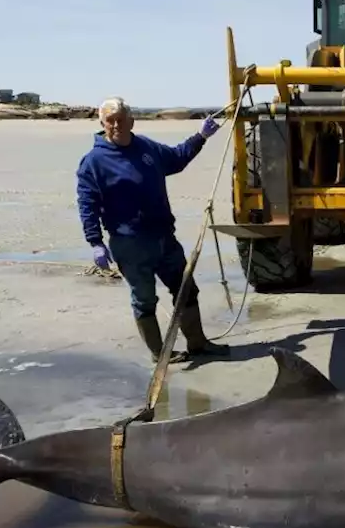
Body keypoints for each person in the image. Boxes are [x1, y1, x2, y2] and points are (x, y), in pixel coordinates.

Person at [75, 96, 230, 364]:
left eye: (121, 119)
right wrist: (95, 242)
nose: (116, 125)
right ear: (102, 123)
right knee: (145, 300)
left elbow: (177, 159)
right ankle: (161, 354)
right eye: (110, 121)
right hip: (130, 244)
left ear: (131, 121)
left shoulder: (146, 147)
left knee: (185, 290)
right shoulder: (94, 161)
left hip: (164, 238)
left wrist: (200, 137)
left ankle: (198, 343)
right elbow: (87, 203)